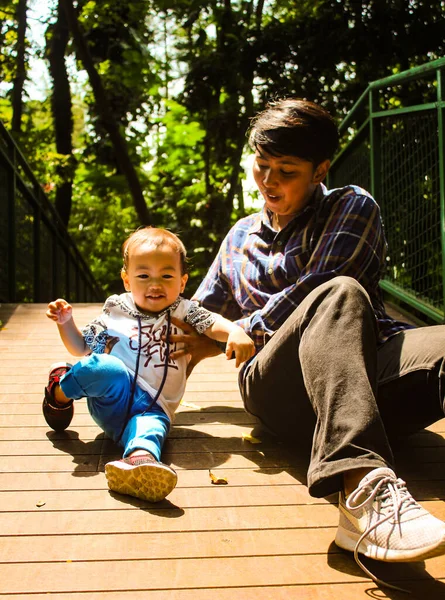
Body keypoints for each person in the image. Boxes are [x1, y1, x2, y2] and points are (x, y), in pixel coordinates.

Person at [169, 98, 445, 590]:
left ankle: (357, 454)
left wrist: (240, 329)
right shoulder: (238, 239)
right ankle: (361, 488)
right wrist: (165, 374)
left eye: (287, 171)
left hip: (367, 372)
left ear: (321, 170)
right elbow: (194, 312)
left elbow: (322, 280)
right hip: (280, 390)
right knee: (338, 295)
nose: (268, 181)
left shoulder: (351, 205)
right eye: (262, 165)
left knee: (341, 293)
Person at [42, 227, 255, 503]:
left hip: (155, 406)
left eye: (167, 276)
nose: (155, 284)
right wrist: (65, 322)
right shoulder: (115, 311)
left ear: (182, 282)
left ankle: (138, 463)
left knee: (151, 429)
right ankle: (59, 392)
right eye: (143, 276)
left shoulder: (185, 310)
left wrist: (235, 332)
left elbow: (213, 323)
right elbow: (80, 346)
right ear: (127, 280)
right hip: (113, 396)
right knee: (105, 368)